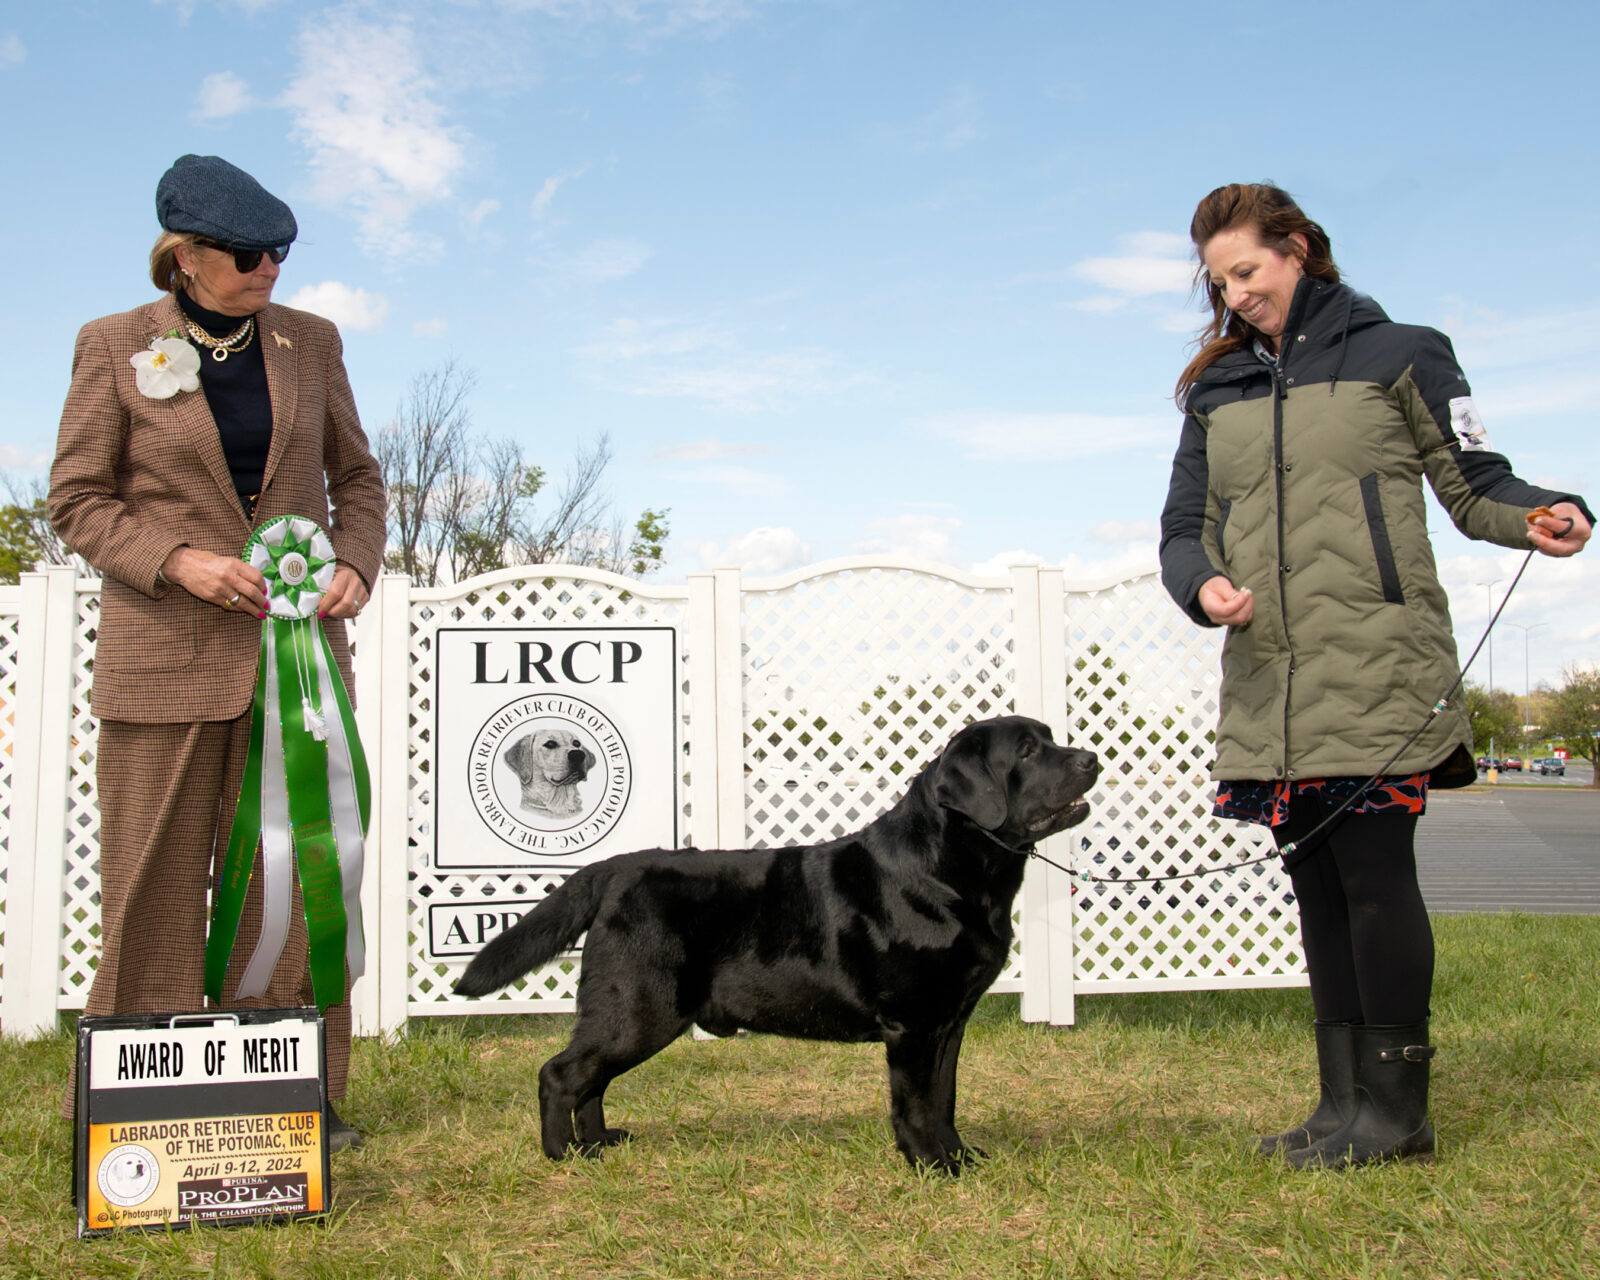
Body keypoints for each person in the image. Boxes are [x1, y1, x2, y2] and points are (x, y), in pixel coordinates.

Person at [1159, 183, 1592, 1169]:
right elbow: (1184, 528)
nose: (1236, 295)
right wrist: (1203, 584)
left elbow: (1474, 481)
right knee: (1315, 888)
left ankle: (1397, 1114)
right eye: (1219, 282)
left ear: (1297, 249)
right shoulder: (1217, 390)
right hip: (1271, 677)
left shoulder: (1404, 353)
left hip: (1381, 664)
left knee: (1373, 878)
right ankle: (1340, 1105)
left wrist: (1540, 511)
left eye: (1248, 271)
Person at [48, 155, 386, 1152]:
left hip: (298, 665)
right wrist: (176, 560)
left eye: (279, 250)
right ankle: (132, 1103)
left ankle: (294, 1091)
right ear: (186, 256)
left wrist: (355, 562)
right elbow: (76, 499)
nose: (268, 268)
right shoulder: (112, 344)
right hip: (162, 663)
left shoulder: (311, 343)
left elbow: (358, 478)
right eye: (247, 254)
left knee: (295, 884)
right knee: (150, 887)